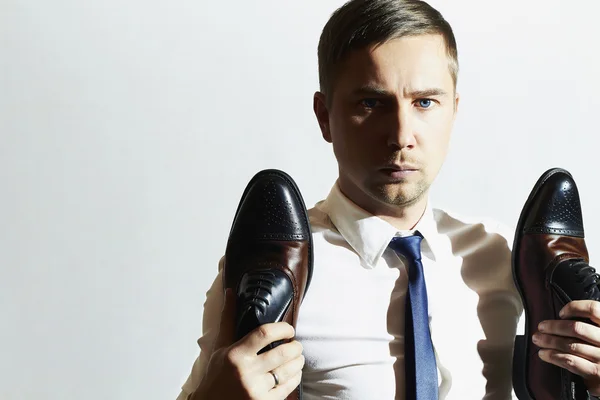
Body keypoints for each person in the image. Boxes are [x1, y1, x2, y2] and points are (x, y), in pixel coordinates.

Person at [176, 0, 600, 399]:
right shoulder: (273, 270)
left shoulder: (506, 256)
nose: (401, 136)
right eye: (371, 102)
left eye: (425, 102)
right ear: (325, 116)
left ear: (454, 110)